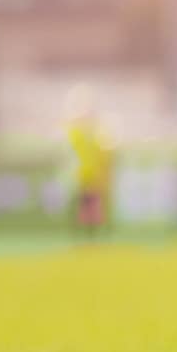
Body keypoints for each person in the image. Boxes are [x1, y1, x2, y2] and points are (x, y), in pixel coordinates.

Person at [63, 86, 113, 238]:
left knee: (93, 205)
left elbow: (104, 152)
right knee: (84, 206)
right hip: (80, 176)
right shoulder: (75, 131)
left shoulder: (96, 130)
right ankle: (83, 234)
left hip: (93, 176)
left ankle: (91, 235)